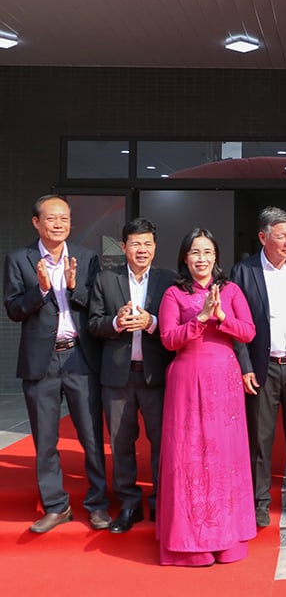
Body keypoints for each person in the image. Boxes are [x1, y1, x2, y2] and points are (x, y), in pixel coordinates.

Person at [3, 194, 110, 533]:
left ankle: (97, 504)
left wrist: (74, 287)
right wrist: (42, 291)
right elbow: (14, 309)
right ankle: (56, 505)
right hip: (41, 361)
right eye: (52, 218)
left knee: (91, 436)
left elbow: (96, 305)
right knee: (45, 439)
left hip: (80, 356)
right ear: (37, 222)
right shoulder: (20, 259)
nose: (60, 223)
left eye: (64, 218)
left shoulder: (86, 258)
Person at [156, 228, 257, 566]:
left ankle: (226, 535)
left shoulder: (231, 290)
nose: (202, 259)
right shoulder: (173, 293)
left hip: (224, 378)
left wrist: (223, 316)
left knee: (224, 456)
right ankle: (189, 541)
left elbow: (249, 331)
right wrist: (200, 318)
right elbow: (169, 339)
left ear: (216, 257)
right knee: (190, 453)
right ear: (185, 258)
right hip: (187, 377)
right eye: (195, 253)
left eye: (208, 252)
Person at [231, 207, 286, 527]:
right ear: (263, 237)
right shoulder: (243, 272)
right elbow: (235, 324)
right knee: (259, 437)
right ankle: (259, 500)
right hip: (262, 366)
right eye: (281, 236)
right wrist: (244, 366)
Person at [87, 218, 176, 532]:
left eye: (148, 243)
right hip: (117, 377)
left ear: (155, 247)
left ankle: (160, 502)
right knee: (121, 443)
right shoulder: (105, 279)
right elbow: (93, 324)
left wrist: (151, 322)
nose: (142, 250)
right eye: (136, 244)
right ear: (123, 247)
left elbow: (176, 326)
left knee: (162, 442)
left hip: (157, 377)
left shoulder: (169, 280)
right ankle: (128, 504)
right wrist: (116, 323)